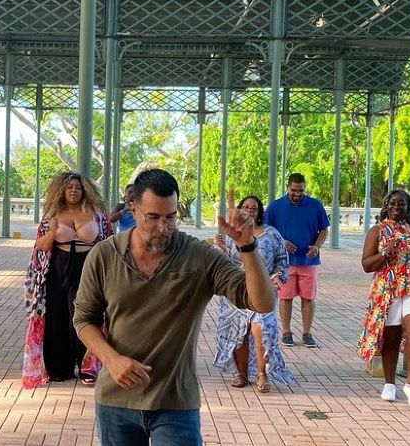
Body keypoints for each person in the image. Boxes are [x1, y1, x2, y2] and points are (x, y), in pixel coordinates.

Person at [73, 169, 274, 445]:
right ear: (133, 208)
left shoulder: (198, 256)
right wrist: (111, 359)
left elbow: (262, 303)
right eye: (153, 217)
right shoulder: (105, 255)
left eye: (170, 217)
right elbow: (84, 319)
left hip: (176, 403)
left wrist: (247, 246)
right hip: (116, 401)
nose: (163, 227)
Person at [22, 171, 112, 388]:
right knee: (58, 317)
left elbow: (110, 242)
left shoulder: (97, 213)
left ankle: (88, 366)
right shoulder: (52, 215)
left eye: (78, 187)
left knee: (86, 315)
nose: (74, 191)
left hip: (88, 268)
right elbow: (41, 246)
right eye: (70, 187)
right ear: (62, 190)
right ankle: (59, 368)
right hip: (58, 269)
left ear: (85, 190)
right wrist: (53, 232)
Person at [358, 190, 410, 410]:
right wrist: (385, 253)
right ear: (386, 206)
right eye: (393, 203)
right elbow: (366, 265)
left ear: (408, 207)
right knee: (391, 338)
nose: (397, 207)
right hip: (387, 289)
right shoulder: (378, 231)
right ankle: (389, 383)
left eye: (402, 203)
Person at [214, 195, 293, 393]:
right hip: (238, 290)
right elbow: (227, 265)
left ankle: (262, 373)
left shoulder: (272, 234)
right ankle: (241, 373)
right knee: (239, 331)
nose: (250, 210)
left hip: (263, 290)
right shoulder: (233, 234)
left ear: (259, 212)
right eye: (246, 207)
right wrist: (223, 250)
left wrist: (277, 277)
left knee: (261, 330)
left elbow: (282, 261)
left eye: (254, 207)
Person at [264, 173, 329, 348]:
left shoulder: (315, 206)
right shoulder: (276, 206)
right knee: (286, 297)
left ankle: (307, 333)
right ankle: (286, 331)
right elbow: (266, 230)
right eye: (294, 190)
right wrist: (282, 242)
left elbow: (324, 230)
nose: (297, 194)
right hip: (284, 262)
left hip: (309, 261)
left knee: (308, 298)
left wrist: (317, 246)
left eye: (301, 190)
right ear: (288, 187)